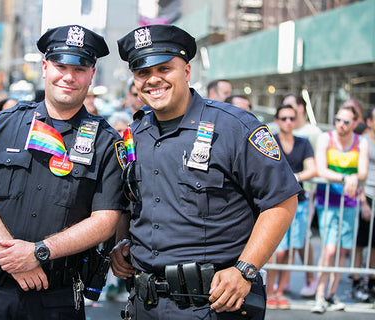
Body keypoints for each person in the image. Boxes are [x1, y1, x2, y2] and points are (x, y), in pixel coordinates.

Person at [111, 24, 301, 319]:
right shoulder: (134, 135)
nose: (153, 80)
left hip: (213, 304)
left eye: (164, 68)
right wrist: (123, 242)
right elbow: (133, 204)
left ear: (186, 71)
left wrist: (245, 269)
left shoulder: (234, 126)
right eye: (142, 73)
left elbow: (281, 200)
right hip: (145, 304)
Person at [0, 25, 126, 319]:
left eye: (80, 68)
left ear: (92, 73)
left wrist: (38, 252)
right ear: (45, 68)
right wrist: (15, 258)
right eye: (60, 66)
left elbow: (105, 220)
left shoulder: (106, 141)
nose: (69, 77)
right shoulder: (6, 123)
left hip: (56, 297)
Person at [312, 104, 369, 313]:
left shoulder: (361, 141)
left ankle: (331, 294)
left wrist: (355, 178)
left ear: (355, 123)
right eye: (338, 119)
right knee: (329, 249)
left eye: (346, 121)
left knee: (343, 250)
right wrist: (346, 177)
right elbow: (321, 168)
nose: (341, 125)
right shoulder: (325, 138)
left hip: (351, 202)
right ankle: (319, 294)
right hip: (328, 200)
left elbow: (362, 172)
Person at [266, 104, 317, 309]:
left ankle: (279, 292)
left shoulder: (303, 143)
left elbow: (312, 169)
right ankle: (269, 291)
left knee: (292, 249)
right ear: (277, 121)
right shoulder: (271, 141)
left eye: (292, 118)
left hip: (299, 201)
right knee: (276, 250)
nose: (288, 122)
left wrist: (295, 177)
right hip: (276, 202)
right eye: (284, 118)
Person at [351, 106, 375, 302]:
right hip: (366, 194)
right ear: (369, 121)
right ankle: (357, 281)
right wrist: (363, 201)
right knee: (360, 242)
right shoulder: (364, 142)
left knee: (374, 245)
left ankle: (372, 282)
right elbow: (359, 173)